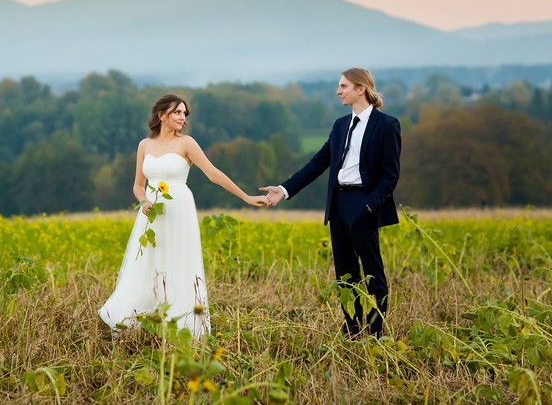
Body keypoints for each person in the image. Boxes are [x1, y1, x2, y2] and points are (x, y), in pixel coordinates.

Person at [99, 93, 267, 338]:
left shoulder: (187, 143)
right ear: (162, 115)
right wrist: (144, 202)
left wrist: (246, 197)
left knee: (178, 262)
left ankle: (181, 325)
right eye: (177, 112)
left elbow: (214, 174)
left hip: (179, 210)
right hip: (152, 214)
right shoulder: (144, 145)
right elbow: (138, 185)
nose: (182, 117)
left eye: (184, 113)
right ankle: (138, 322)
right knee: (147, 262)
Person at [260, 68, 401, 337]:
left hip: (364, 203)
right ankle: (352, 331)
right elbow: (318, 162)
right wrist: (284, 189)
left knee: (373, 274)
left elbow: (390, 174)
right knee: (345, 275)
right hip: (338, 204)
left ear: (361, 89)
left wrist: (370, 205)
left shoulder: (387, 124)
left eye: (344, 86)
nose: (338, 91)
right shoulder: (339, 126)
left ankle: (375, 334)